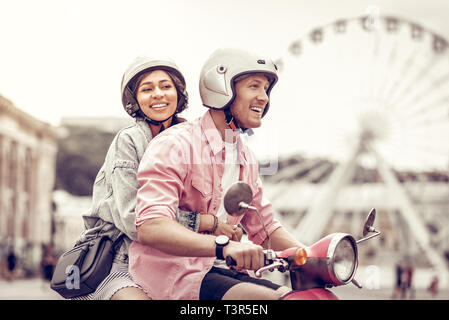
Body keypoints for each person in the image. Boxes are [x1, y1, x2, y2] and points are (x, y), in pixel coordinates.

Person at [129, 48, 305, 300]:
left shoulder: (246, 157)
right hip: (174, 274)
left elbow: (264, 229)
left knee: (302, 297)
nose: (263, 97)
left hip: (219, 268)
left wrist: (311, 256)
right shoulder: (176, 144)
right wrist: (225, 246)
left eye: (266, 89)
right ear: (222, 88)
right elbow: (151, 226)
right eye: (254, 86)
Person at [73, 56, 242, 300]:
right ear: (135, 99)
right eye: (147, 89)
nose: (158, 94)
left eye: (165, 86)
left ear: (178, 93)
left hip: (179, 260)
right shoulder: (129, 140)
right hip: (118, 258)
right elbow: (134, 220)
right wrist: (206, 222)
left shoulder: (194, 140)